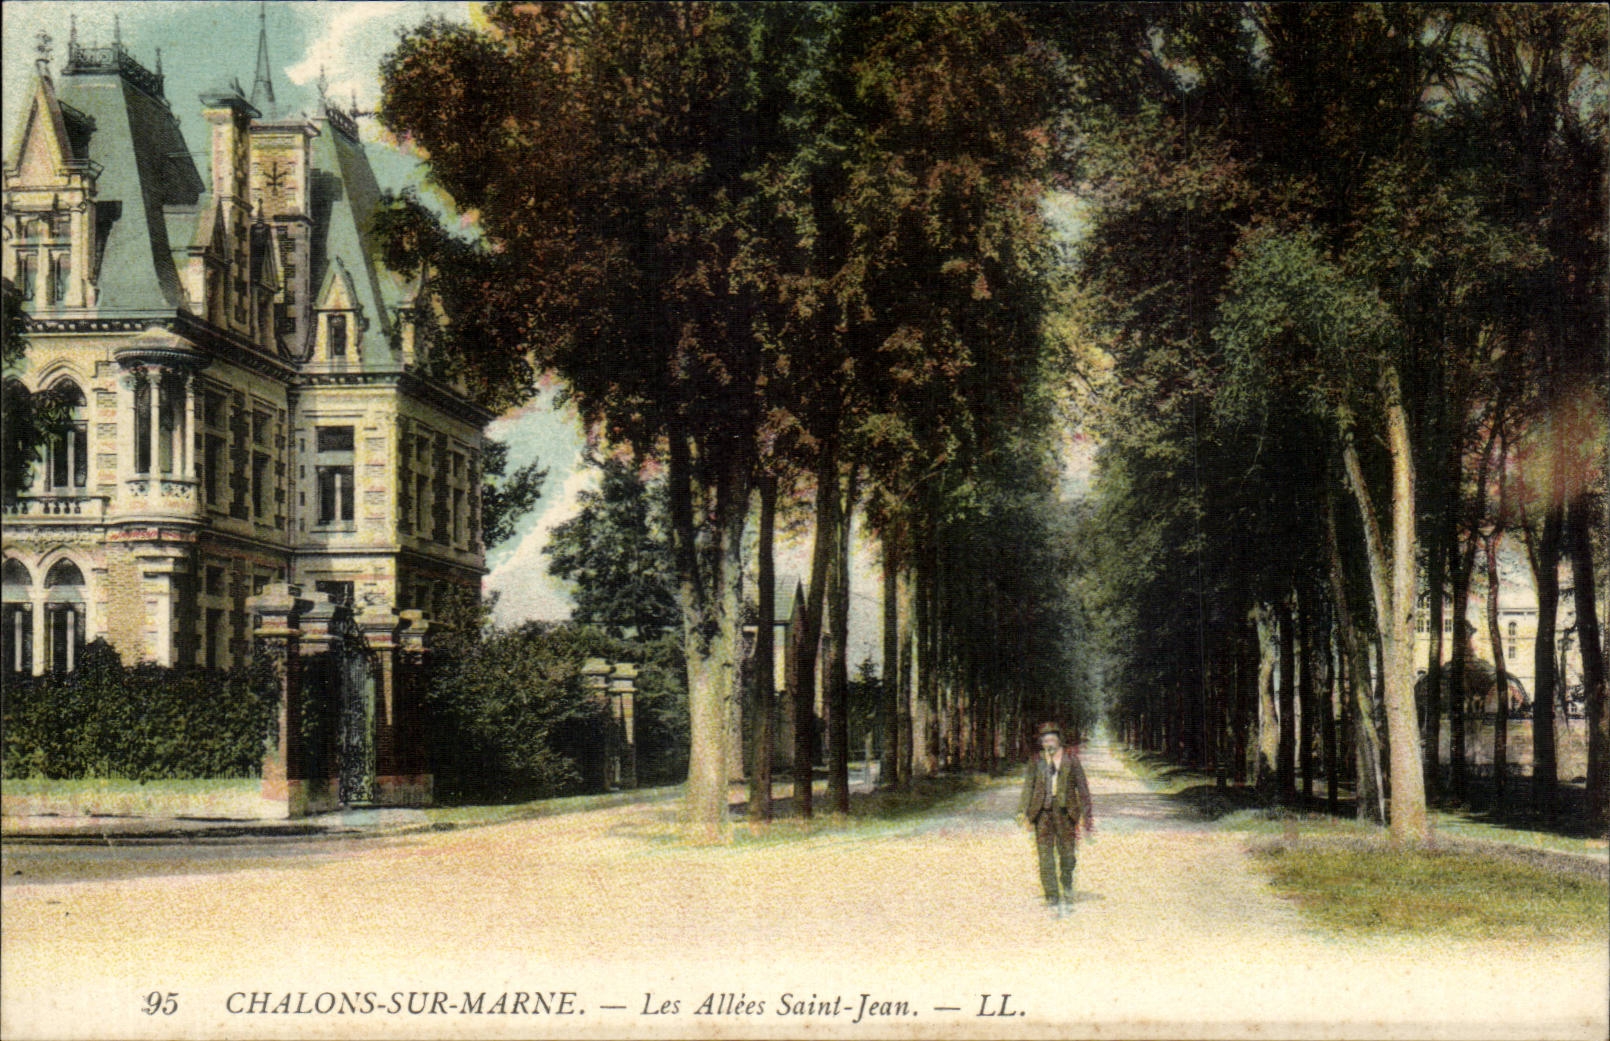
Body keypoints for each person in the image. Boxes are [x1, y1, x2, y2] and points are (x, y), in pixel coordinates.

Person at [1016, 721, 1094, 916]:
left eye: (1051, 738)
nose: (1048, 742)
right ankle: (1051, 894)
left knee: (1067, 854)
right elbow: (1028, 787)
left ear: (1059, 740)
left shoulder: (1071, 761)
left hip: (1066, 813)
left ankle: (1066, 883)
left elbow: (1083, 789)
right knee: (1044, 855)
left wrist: (1087, 816)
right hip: (1041, 813)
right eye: (1044, 739)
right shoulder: (1036, 762)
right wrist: (1022, 812)